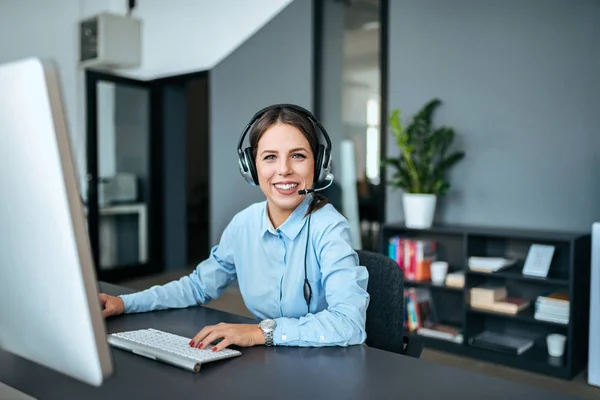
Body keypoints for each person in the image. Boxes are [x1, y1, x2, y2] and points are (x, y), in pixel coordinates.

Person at [99, 104, 370, 352]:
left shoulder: (330, 227)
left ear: (319, 163)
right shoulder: (244, 224)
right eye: (270, 157)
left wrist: (259, 333)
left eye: (298, 155)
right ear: (251, 167)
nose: (284, 170)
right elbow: (197, 287)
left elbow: (349, 322)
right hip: (269, 362)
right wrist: (125, 303)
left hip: (326, 366)